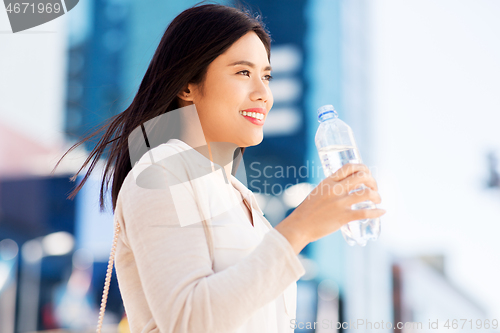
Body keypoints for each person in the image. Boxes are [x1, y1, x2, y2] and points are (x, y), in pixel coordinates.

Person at [53, 2, 386, 333]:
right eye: (243, 72)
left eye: (266, 76)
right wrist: (300, 228)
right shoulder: (160, 171)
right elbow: (189, 321)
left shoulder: (241, 198)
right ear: (187, 85)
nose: (263, 94)